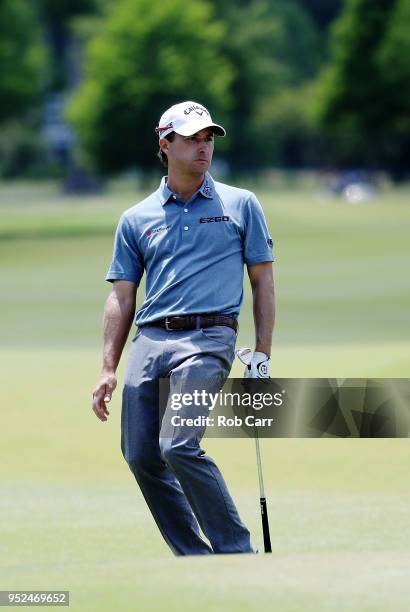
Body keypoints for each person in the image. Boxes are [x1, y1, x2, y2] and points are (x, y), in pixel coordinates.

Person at [92, 100, 275, 556]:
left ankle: (234, 550)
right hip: (151, 340)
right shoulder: (136, 218)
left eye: (208, 138)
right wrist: (108, 368)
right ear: (165, 143)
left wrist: (263, 351)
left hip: (210, 339)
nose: (203, 147)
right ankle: (193, 555)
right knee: (140, 455)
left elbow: (262, 279)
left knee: (177, 443)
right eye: (192, 138)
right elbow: (121, 297)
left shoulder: (241, 204)